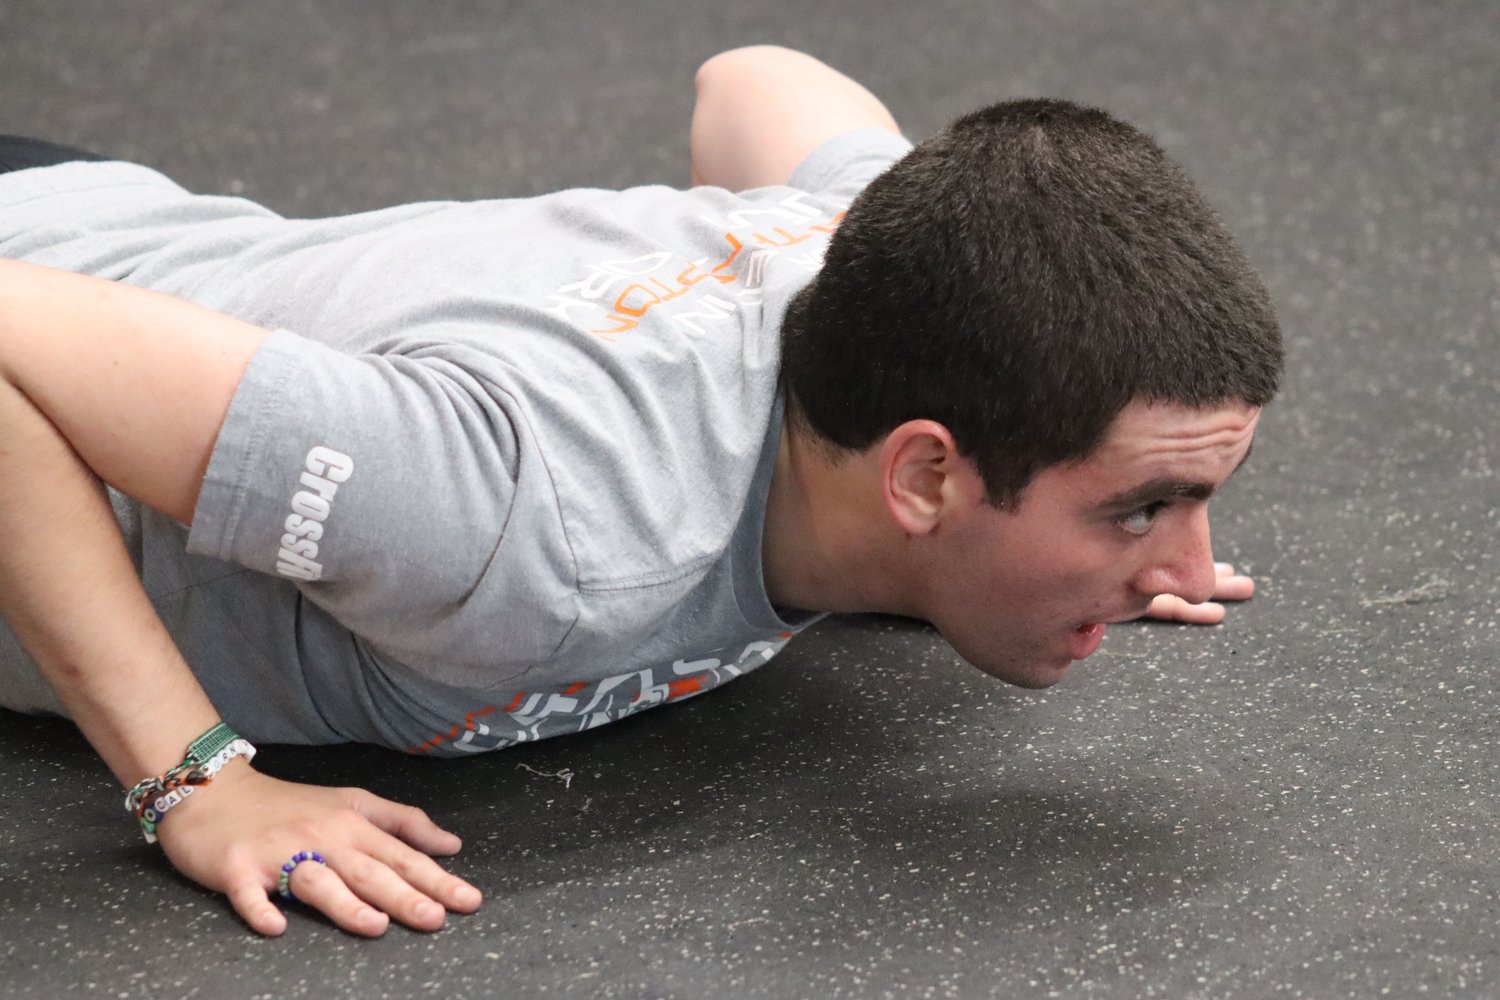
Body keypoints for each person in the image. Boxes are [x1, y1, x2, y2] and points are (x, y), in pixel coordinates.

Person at [0, 45, 1279, 936]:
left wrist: (1010, 563)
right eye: (1138, 508)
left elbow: (754, 76)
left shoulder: (869, 261)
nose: (1179, 567)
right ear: (926, 473)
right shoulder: (512, 521)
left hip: (90, 212)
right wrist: (196, 781)